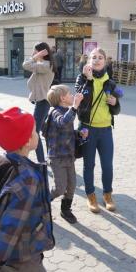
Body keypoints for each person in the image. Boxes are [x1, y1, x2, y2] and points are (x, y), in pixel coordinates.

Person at [0, 107, 55, 272]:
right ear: (27, 141)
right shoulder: (28, 179)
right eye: (34, 131)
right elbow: (11, 225)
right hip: (20, 256)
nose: (37, 134)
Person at [75, 48, 121, 213]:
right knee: (89, 165)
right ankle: (91, 195)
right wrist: (88, 80)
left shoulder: (111, 82)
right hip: (87, 129)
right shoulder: (81, 78)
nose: (97, 60)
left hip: (105, 130)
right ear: (89, 61)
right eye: (93, 57)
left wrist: (115, 103)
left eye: (100, 57)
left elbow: (116, 111)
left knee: (107, 165)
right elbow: (80, 100)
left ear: (105, 61)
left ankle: (107, 194)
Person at [44, 85, 84, 224]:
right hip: (57, 158)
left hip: (68, 156)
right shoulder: (55, 112)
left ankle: (65, 210)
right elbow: (63, 123)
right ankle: (43, 203)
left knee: (72, 185)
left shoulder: (66, 111)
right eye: (69, 94)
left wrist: (79, 134)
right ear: (62, 98)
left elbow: (66, 131)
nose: (72, 95)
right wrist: (75, 106)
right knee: (60, 188)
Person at [22, 42, 55, 164]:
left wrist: (36, 57)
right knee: (44, 130)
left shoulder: (45, 65)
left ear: (42, 52)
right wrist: (36, 56)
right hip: (41, 101)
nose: (33, 53)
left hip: (42, 101)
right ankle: (52, 154)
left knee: (34, 131)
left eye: (35, 51)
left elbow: (25, 65)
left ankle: (42, 160)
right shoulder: (42, 64)